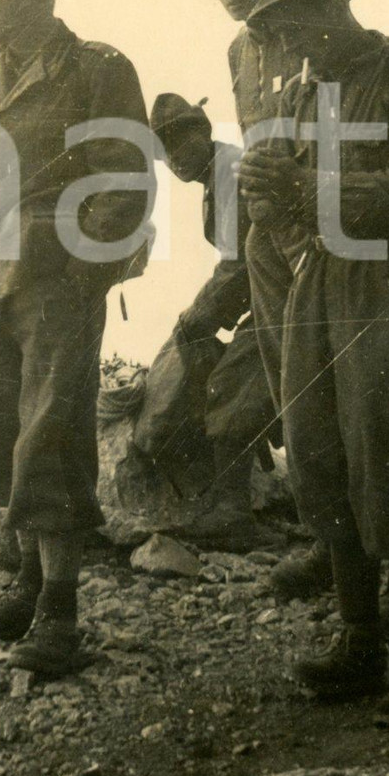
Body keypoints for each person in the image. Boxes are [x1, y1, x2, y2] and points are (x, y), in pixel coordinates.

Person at [238, 0, 389, 712]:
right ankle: (359, 642)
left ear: (340, 2)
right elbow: (290, 199)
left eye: (300, 19)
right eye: (281, 26)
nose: (289, 39)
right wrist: (271, 193)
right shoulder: (305, 90)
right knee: (318, 453)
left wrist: (310, 188)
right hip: (321, 279)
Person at [0, 0, 152, 677]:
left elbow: (125, 177)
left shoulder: (96, 67)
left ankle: (58, 617)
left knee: (51, 437)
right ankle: (29, 584)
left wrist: (80, 267)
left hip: (55, 282)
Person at [186, 0, 333, 598]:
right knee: (288, 385)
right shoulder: (239, 53)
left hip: (332, 227)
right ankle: (326, 536)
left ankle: (365, 548)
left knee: (349, 386)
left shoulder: (310, 29)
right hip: (271, 233)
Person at [147, 92, 276, 521]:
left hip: (286, 299)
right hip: (270, 296)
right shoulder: (217, 174)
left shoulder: (229, 172)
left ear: (203, 131)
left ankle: (231, 513)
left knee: (230, 385)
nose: (173, 157)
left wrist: (196, 317)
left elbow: (238, 265)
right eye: (163, 150)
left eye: (179, 142)